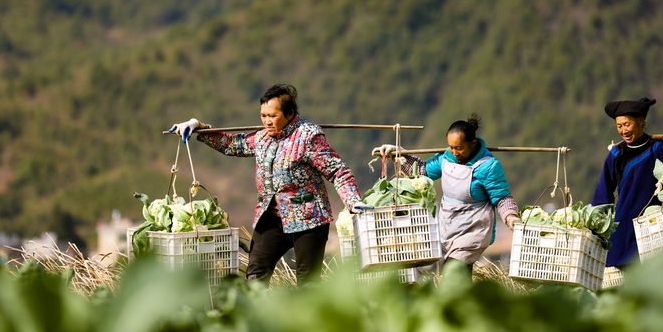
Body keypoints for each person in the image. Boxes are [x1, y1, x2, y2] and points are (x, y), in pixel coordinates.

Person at [169, 83, 370, 286]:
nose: (266, 121)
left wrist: (353, 201)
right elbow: (232, 145)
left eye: (272, 116)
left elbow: (337, 170)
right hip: (272, 218)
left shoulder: (309, 137)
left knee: (308, 285)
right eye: (263, 116)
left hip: (310, 220)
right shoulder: (262, 138)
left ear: (290, 114)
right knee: (255, 274)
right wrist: (199, 127)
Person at [372, 113, 520, 271]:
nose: (454, 152)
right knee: (449, 273)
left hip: (474, 228)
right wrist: (399, 154)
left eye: (459, 148)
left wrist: (511, 217)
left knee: (454, 270)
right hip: (448, 225)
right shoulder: (445, 159)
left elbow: (502, 197)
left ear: (473, 143)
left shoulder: (488, 166)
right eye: (451, 147)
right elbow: (422, 170)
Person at [592, 97, 663, 268]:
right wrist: (595, 226)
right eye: (619, 126)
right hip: (625, 236)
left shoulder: (662, 148)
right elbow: (603, 195)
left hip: (657, 231)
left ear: (641, 121)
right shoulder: (616, 155)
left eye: (627, 125)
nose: (623, 131)